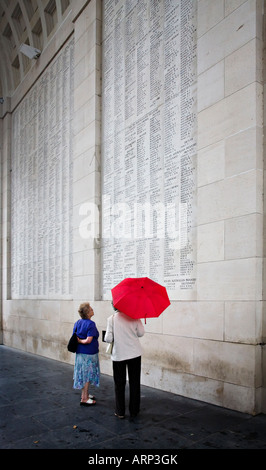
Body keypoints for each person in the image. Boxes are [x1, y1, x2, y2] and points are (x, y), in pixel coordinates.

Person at [105, 303, 145, 419]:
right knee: (135, 382)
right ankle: (134, 410)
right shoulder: (134, 316)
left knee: (119, 384)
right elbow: (141, 333)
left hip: (119, 355)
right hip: (135, 354)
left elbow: (108, 338)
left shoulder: (111, 319)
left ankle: (120, 411)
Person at [73, 302, 100, 406]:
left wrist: (79, 342)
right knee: (87, 376)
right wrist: (81, 341)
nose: (93, 310)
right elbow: (88, 340)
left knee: (83, 374)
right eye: (91, 309)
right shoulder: (90, 324)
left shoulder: (77, 322)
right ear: (88, 313)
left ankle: (86, 394)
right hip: (89, 353)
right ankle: (84, 398)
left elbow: (75, 336)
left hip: (80, 353)